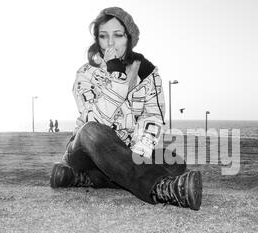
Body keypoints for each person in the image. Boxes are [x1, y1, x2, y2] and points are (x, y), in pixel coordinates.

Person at [49, 7, 202, 210]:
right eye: (103, 36)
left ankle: (89, 179)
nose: (110, 43)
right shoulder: (85, 74)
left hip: (125, 152)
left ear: (129, 37)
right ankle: (161, 187)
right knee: (92, 131)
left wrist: (138, 154)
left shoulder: (147, 72)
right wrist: (117, 76)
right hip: (86, 151)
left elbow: (153, 116)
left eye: (118, 35)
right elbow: (97, 120)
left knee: (175, 162)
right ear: (97, 40)